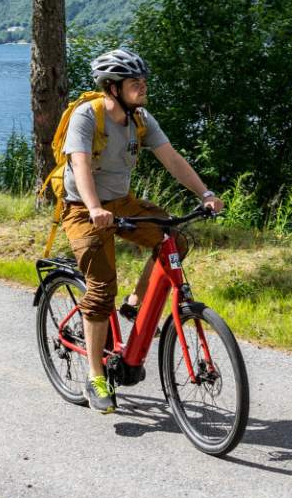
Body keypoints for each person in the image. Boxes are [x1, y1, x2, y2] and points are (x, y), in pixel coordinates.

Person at [62, 47, 223, 413]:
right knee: (101, 290)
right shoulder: (87, 117)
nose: (143, 86)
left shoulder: (141, 120)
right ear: (112, 87)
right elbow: (81, 166)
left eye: (143, 80)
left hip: (122, 202)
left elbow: (172, 159)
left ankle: (135, 304)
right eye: (135, 82)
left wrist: (206, 193)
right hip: (83, 208)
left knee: (174, 239)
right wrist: (94, 208)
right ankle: (95, 376)